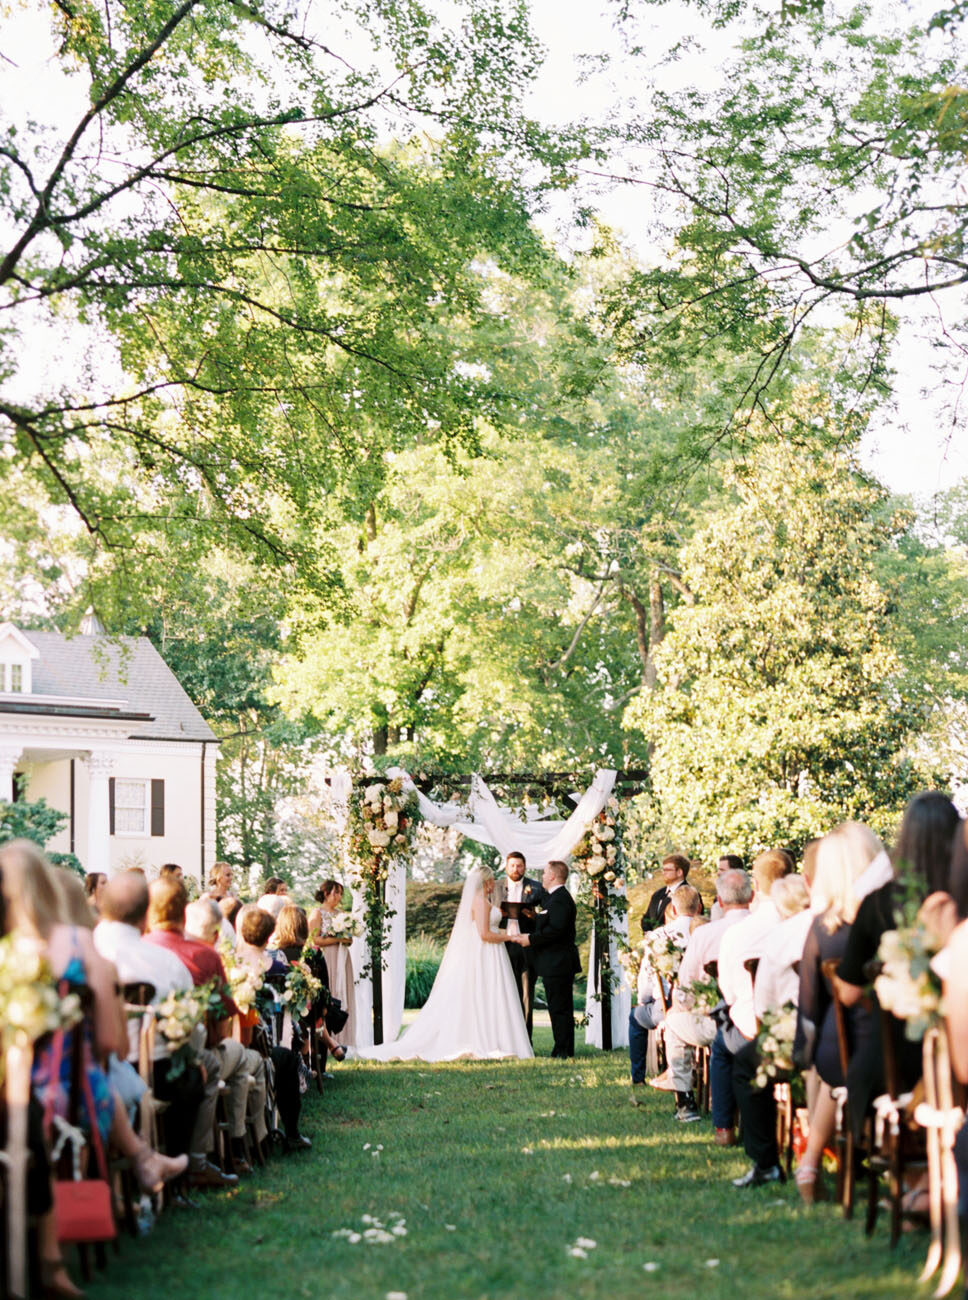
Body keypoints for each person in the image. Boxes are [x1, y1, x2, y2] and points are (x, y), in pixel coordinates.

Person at [0, 842, 187, 1300]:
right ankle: (134, 1170)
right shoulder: (79, 945)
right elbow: (110, 1043)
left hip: (17, 1092)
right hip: (67, 1098)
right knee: (98, 1081)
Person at [146, 879, 268, 1173]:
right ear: (215, 933)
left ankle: (230, 1149)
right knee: (242, 1057)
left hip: (140, 1059)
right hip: (188, 1059)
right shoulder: (206, 956)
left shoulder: (144, 947)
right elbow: (222, 1025)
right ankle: (236, 1148)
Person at [353, 864, 533, 1061]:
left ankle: (495, 1038)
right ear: (486, 881)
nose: (493, 885)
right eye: (491, 881)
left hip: (491, 954)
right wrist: (511, 937)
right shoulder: (480, 901)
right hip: (485, 952)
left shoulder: (482, 901)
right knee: (483, 992)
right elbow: (484, 934)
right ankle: (485, 1039)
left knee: (489, 993)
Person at [793, 822, 884, 1203]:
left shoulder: (821, 928)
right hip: (890, 1053)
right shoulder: (893, 918)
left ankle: (811, 1163)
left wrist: (801, 1055)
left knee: (829, 1071)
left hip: (839, 1055)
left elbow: (810, 1006)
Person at [658, 868, 752, 1131]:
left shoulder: (705, 933)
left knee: (673, 1022)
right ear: (752, 895)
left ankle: (685, 1101)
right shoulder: (766, 928)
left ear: (719, 901)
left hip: (716, 1024)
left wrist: (680, 1006)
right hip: (763, 1023)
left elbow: (686, 988)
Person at [629, 885, 703, 1092]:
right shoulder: (707, 932)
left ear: (674, 910)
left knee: (635, 1017)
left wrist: (644, 1000)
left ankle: (638, 1076)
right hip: (702, 1006)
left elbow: (647, 977)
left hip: (666, 1006)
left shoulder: (657, 935)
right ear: (698, 908)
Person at [512, 860, 580, 1059]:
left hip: (559, 962)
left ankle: (562, 1050)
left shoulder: (560, 899)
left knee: (559, 1009)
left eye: (544, 874)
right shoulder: (554, 899)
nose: (541, 877)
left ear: (552, 876)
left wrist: (530, 939)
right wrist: (534, 917)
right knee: (558, 1007)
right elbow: (551, 922)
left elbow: (556, 931)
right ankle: (562, 1048)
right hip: (555, 962)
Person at [493, 850, 544, 1040]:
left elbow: (546, 918)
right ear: (506, 867)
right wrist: (498, 913)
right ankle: (503, 1037)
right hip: (502, 946)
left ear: (525, 867)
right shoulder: (496, 887)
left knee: (526, 993)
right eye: (512, 865)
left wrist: (534, 916)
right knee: (503, 991)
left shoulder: (537, 888)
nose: (516, 869)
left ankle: (525, 1039)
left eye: (520, 865)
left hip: (527, 945)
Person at [308, 879, 357, 1047]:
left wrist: (347, 939)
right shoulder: (317, 913)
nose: (338, 896)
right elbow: (314, 939)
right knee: (331, 992)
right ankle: (328, 1041)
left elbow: (348, 939)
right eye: (335, 892)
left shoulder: (341, 914)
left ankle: (345, 1039)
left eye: (340, 893)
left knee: (344, 993)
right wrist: (337, 938)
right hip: (327, 956)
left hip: (342, 957)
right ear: (325, 893)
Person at [643, 854, 692, 930]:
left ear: (679, 872)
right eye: (663, 870)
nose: (663, 873)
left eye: (667, 870)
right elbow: (646, 918)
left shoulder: (690, 894)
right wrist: (649, 934)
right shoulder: (657, 894)